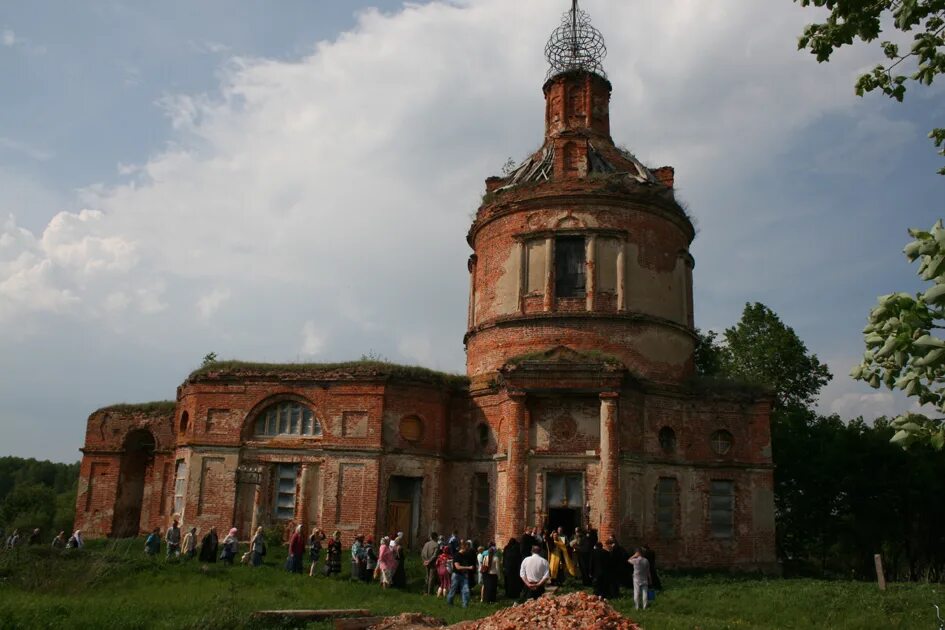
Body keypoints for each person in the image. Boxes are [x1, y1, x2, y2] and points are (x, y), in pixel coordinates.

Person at [447, 540, 477, 608]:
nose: (467, 550)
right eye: (466, 549)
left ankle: (465, 605)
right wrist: (468, 567)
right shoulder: (457, 555)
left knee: (466, 590)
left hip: (464, 575)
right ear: (463, 548)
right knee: (453, 590)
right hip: (456, 575)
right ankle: (449, 603)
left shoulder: (465, 555)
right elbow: (457, 567)